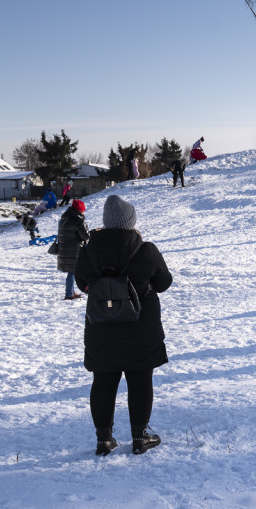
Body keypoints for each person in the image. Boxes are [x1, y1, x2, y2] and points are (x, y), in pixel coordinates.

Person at [75, 195, 172, 456]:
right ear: (131, 222)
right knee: (140, 380)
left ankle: (104, 440)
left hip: (100, 326)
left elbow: (81, 283)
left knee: (103, 381)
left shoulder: (88, 250)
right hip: (141, 328)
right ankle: (140, 437)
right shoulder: (146, 250)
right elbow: (164, 283)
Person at [57, 199, 89, 300]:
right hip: (74, 250)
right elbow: (85, 236)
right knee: (72, 272)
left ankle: (71, 292)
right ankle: (69, 294)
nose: (83, 212)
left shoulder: (63, 219)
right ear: (79, 210)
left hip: (65, 249)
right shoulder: (78, 221)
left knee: (72, 271)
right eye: (82, 210)